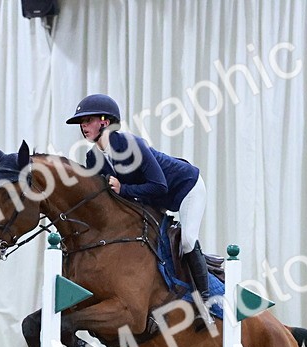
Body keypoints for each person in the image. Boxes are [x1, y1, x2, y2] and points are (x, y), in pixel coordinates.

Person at [66, 93, 214, 320]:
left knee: (187, 240)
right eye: (81, 122)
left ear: (105, 122)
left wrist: (123, 189)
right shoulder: (93, 159)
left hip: (185, 187)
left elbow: (159, 186)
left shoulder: (130, 144)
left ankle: (206, 302)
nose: (83, 126)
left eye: (88, 120)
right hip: (153, 200)